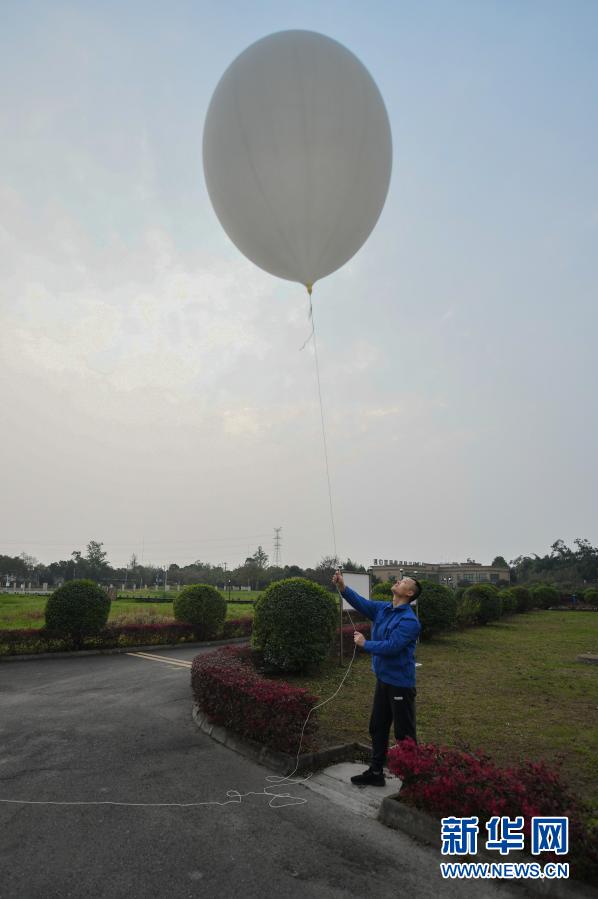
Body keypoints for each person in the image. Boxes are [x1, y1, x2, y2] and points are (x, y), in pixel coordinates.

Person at [332, 569, 422, 787]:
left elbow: (393, 647)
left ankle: (414, 782)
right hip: (383, 681)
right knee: (377, 727)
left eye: (404, 581)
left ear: (409, 593)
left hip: (400, 685)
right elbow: (362, 603)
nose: (399, 581)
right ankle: (375, 772)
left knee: (404, 735)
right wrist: (342, 587)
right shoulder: (384, 609)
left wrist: (366, 644)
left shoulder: (410, 621)